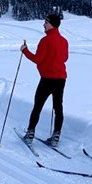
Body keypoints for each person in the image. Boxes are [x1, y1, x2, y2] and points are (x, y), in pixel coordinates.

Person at [20, 13, 69, 147]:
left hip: (47, 78)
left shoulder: (45, 40)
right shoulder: (64, 41)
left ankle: (30, 133)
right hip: (61, 79)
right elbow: (64, 59)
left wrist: (25, 51)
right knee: (58, 107)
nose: (44, 25)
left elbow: (37, 59)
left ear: (51, 24)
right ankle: (56, 136)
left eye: (46, 23)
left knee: (38, 106)